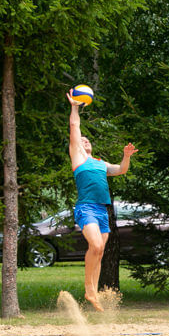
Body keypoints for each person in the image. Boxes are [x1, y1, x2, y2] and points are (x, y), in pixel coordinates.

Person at [67, 92, 138, 312]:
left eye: (88, 141)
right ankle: (88, 288)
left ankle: (93, 293)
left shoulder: (100, 163)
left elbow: (120, 170)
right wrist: (75, 108)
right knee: (96, 245)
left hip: (102, 210)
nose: (84, 141)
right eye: (82, 140)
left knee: (99, 252)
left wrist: (126, 155)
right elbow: (74, 127)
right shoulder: (78, 157)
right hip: (86, 208)